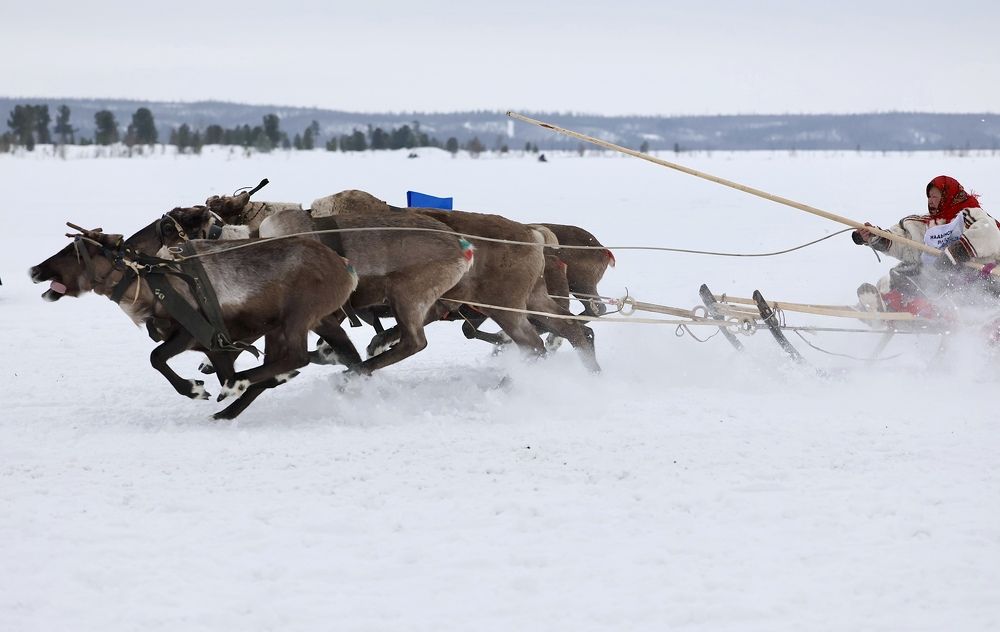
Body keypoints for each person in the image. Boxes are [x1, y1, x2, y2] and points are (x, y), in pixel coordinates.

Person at [852, 175, 1000, 316]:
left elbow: (990, 233)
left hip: (982, 279)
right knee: (901, 272)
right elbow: (904, 241)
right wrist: (875, 237)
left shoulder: (969, 215)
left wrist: (954, 254)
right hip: (942, 283)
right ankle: (883, 306)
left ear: (949, 196)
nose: (930, 201)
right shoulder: (927, 224)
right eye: (929, 197)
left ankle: (893, 306)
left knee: (934, 280)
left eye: (935, 196)